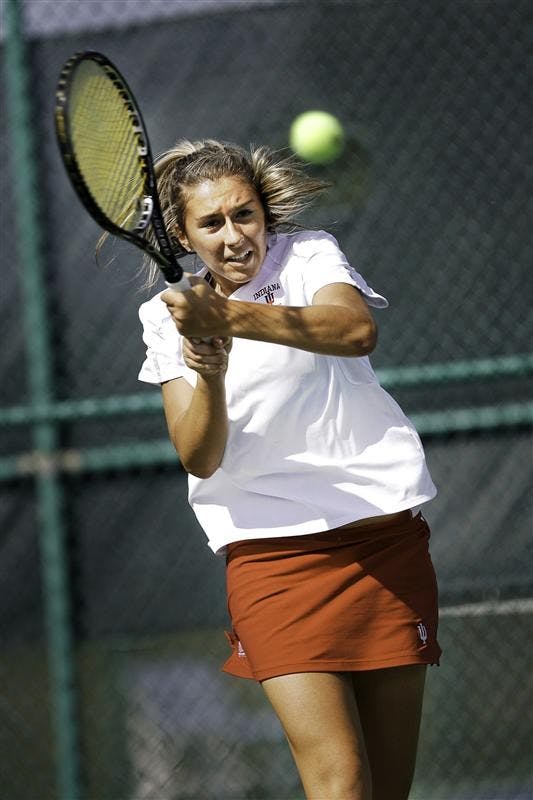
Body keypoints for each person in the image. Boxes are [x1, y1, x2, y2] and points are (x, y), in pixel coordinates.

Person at [138, 138, 441, 800]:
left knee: (388, 790)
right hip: (271, 564)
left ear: (264, 217)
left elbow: (353, 329)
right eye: (211, 223)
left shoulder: (309, 256)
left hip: (380, 544)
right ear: (184, 235)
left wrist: (231, 317)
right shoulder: (165, 321)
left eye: (243, 215)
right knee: (339, 781)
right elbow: (198, 454)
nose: (232, 235)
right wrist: (207, 369)